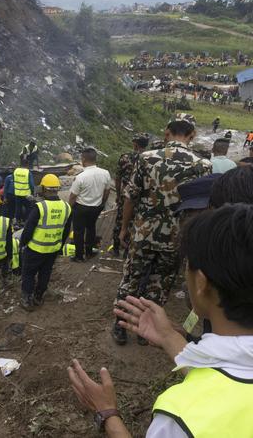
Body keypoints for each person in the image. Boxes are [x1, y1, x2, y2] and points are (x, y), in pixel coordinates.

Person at [69, 205, 253, 438]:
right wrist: (169, 337)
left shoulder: (181, 418)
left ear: (201, 283)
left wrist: (107, 414)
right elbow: (229, 378)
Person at [113, 119, 212, 346]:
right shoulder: (203, 165)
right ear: (192, 135)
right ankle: (144, 330)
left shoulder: (146, 158)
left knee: (130, 280)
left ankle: (120, 326)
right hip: (177, 238)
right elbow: (201, 208)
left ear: (167, 133)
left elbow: (131, 197)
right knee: (158, 285)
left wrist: (124, 228)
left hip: (143, 234)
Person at [19, 175, 72, 309]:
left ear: (43, 188)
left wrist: (23, 243)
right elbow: (66, 231)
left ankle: (27, 299)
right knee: (45, 273)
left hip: (35, 248)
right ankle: (38, 296)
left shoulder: (40, 207)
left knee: (29, 273)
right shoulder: (67, 207)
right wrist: (59, 245)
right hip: (53, 248)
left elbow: (28, 229)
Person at [69, 148, 111, 262]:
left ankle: (79, 256)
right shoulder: (105, 173)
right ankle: (89, 252)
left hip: (81, 207)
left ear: (83, 159)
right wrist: (102, 202)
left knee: (78, 231)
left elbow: (73, 196)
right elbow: (107, 190)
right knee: (91, 228)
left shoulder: (80, 177)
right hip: (96, 207)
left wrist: (70, 207)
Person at [111, 134, 149, 257]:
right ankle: (129, 250)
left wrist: (118, 194)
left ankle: (116, 248)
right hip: (142, 196)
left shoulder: (125, 158)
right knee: (137, 222)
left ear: (135, 144)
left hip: (126, 195)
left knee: (121, 221)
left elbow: (117, 178)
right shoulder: (150, 158)